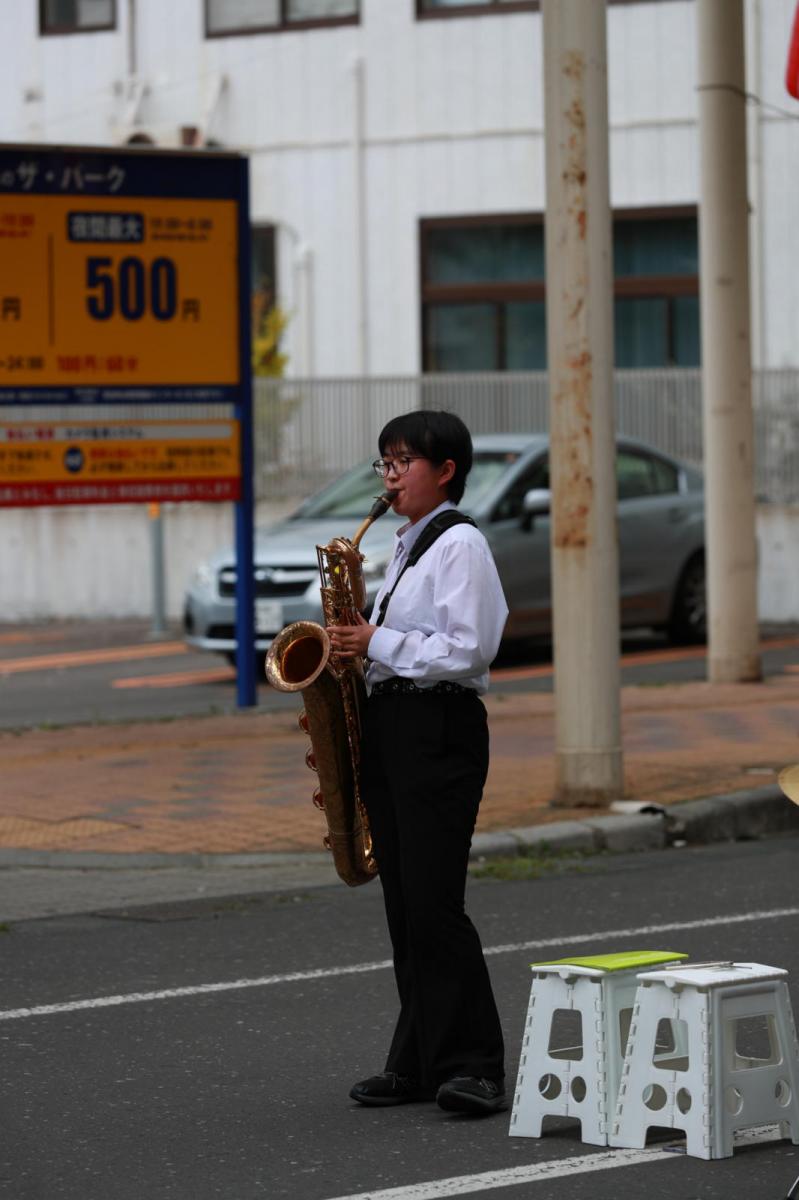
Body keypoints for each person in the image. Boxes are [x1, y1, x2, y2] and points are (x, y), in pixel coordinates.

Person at [327, 410, 509, 1116]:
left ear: (446, 471)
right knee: (405, 903)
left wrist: (373, 642)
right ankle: (419, 1059)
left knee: (434, 902)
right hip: (397, 722)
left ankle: (476, 1066)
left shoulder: (459, 543)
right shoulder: (407, 546)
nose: (391, 474)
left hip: (437, 725)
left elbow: (470, 649)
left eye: (405, 460)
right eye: (385, 462)